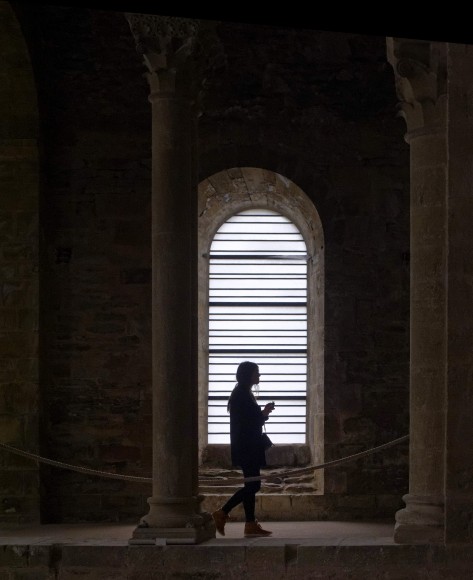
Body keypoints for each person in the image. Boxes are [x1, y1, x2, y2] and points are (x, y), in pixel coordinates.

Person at [212, 360, 276, 538]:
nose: (259, 376)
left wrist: (263, 413)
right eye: (257, 372)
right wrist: (263, 413)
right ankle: (222, 512)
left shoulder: (242, 393)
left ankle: (250, 524)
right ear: (248, 375)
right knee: (254, 484)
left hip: (247, 446)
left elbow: (249, 420)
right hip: (248, 448)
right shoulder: (242, 394)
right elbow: (249, 423)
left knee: (251, 484)